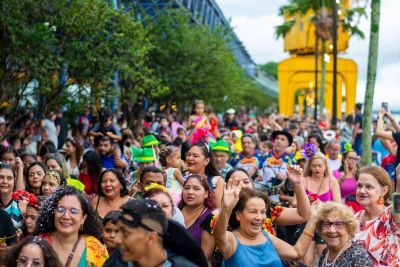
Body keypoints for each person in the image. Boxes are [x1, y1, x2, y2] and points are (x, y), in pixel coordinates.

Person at [200, 167, 310, 265]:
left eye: (246, 181)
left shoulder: (267, 211)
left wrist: (298, 185)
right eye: (236, 182)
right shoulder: (217, 218)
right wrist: (226, 208)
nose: (242, 185)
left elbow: (302, 215)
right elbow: (207, 257)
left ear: (253, 185)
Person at [35, 185, 108, 266]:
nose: (66, 216)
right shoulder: (39, 243)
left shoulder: (95, 248)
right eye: (60, 210)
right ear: (54, 213)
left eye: (73, 211)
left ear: (83, 218)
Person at [117, 199, 202, 267]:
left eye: (125, 233)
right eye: (118, 232)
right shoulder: (116, 262)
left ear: (151, 237)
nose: (117, 240)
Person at [353, 165, 400, 266]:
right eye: (359, 185)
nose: (361, 191)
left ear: (384, 191)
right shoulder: (354, 218)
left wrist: (399, 182)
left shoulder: (391, 216)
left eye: (368, 186)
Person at [315, 202, 374, 267]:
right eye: (327, 223)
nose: (331, 230)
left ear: (349, 227)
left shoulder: (357, 257)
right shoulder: (326, 251)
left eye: (338, 224)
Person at [178, 174, 217, 244]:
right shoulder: (174, 211)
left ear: (206, 193)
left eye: (196, 188)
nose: (190, 192)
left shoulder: (213, 215)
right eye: (186, 188)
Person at [186, 142, 224, 207]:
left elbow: (217, 209)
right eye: (188, 155)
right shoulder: (181, 177)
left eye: (195, 156)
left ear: (206, 161)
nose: (190, 158)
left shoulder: (216, 181)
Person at [262, 130, 293, 202]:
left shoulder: (290, 158)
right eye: (277, 138)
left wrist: (284, 177)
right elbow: (257, 171)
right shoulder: (264, 155)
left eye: (282, 139)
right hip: (263, 192)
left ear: (288, 143)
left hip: (281, 194)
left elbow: (292, 175)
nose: (279, 141)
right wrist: (259, 174)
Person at [0, 163, 24, 229]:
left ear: (14, 180)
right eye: (1, 177)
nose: (5, 181)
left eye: (9, 178)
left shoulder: (22, 203)